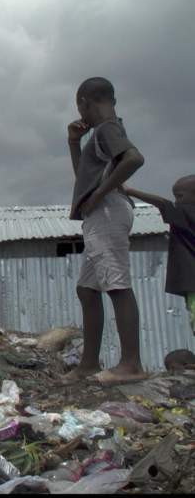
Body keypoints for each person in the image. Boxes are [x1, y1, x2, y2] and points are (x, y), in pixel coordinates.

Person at [64, 77, 147, 385]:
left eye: (79, 106)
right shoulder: (100, 134)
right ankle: (88, 364)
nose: (80, 113)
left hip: (108, 211)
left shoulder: (107, 128)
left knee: (116, 284)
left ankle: (131, 364)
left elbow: (134, 159)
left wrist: (100, 195)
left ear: (84, 101)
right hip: (102, 213)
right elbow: (83, 179)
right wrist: (73, 143)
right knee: (87, 289)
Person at [125, 175, 195, 335]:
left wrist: (130, 191)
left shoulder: (187, 213)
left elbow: (163, 204)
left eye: (180, 196)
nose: (176, 201)